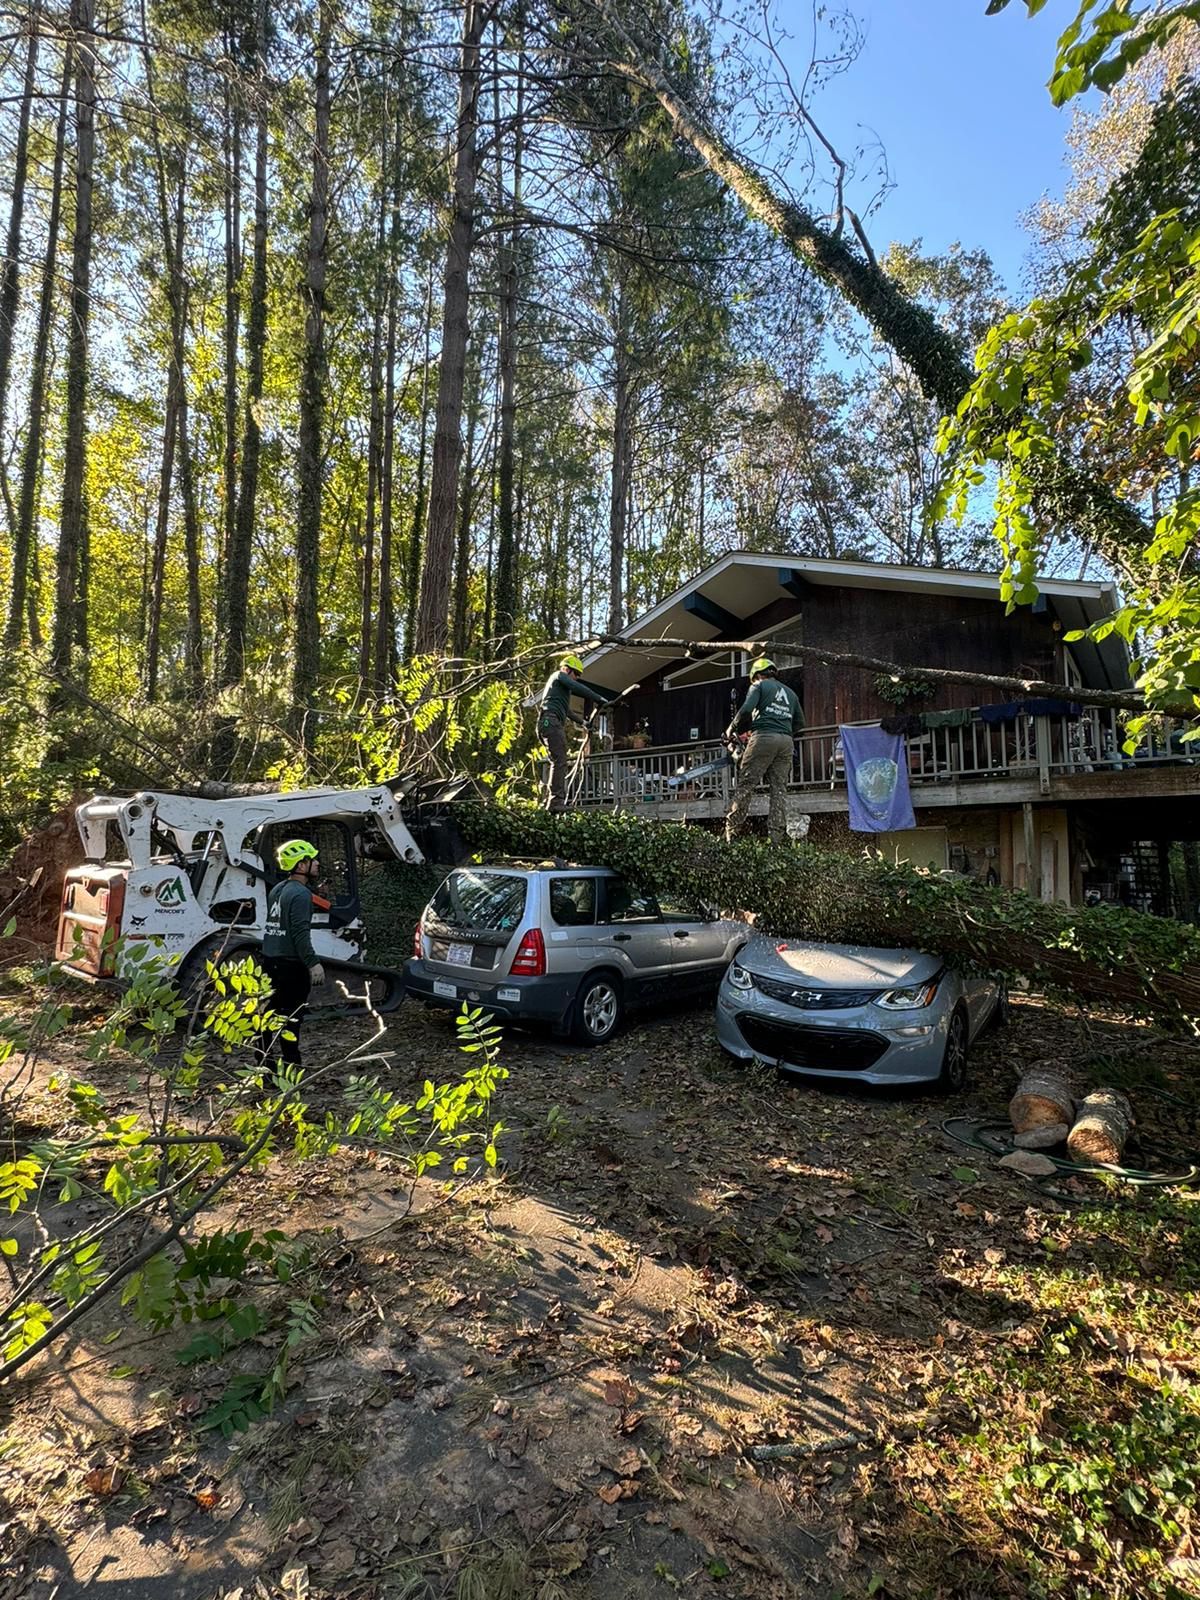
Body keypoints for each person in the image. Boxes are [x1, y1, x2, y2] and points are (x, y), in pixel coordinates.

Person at [724, 657, 805, 844]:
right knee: (778, 790)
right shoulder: (791, 694)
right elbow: (800, 723)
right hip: (786, 742)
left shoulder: (759, 686)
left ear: (757, 675)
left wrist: (730, 730)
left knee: (746, 784)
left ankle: (732, 832)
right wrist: (781, 730)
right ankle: (776, 838)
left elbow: (746, 710)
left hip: (764, 738)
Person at [259, 838, 325, 1067]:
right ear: (300, 866)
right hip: (290, 966)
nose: (316, 863)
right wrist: (313, 963)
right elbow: (299, 934)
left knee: (267, 1015)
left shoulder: (277, 890)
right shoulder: (301, 894)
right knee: (291, 1018)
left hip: (270, 960)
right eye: (311, 860)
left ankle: (263, 1065)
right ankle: (292, 1066)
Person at [539, 654, 612, 812]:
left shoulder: (560, 693)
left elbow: (566, 711)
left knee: (558, 760)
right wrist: (598, 698)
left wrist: (583, 722)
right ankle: (554, 802)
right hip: (549, 721)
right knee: (559, 760)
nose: (577, 678)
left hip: (552, 721)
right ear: (567, 669)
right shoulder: (559, 676)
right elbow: (578, 688)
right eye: (576, 674)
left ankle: (553, 801)